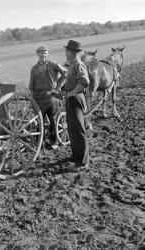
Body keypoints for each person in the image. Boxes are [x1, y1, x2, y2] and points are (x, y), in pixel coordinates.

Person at [52, 40, 90, 169]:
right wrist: (60, 93)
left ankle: (83, 162)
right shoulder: (72, 64)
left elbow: (84, 82)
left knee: (79, 130)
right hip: (71, 98)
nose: (65, 53)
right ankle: (76, 156)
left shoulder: (78, 64)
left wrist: (72, 93)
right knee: (72, 129)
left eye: (66, 51)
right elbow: (70, 83)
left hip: (76, 99)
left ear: (73, 52)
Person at [29, 46, 67, 149]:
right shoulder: (34, 68)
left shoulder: (53, 64)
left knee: (53, 119)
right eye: (41, 53)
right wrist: (31, 98)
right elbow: (31, 86)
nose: (43, 55)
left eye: (45, 53)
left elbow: (65, 74)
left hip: (51, 97)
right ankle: (40, 141)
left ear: (47, 54)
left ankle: (54, 141)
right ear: (37, 54)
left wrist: (58, 87)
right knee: (39, 121)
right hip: (39, 98)